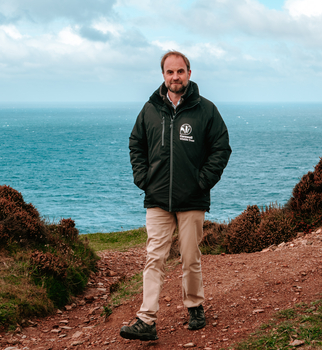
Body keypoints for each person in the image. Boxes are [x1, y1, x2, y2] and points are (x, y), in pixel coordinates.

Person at [120, 50, 232, 341]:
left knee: (190, 257)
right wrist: (143, 179)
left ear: (189, 74)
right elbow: (136, 144)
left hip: (192, 199)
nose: (175, 77)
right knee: (153, 258)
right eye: (170, 72)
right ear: (163, 76)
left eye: (180, 71)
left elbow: (221, 148)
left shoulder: (205, 110)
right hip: (157, 199)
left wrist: (203, 181)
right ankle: (146, 319)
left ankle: (194, 305)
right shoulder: (150, 109)